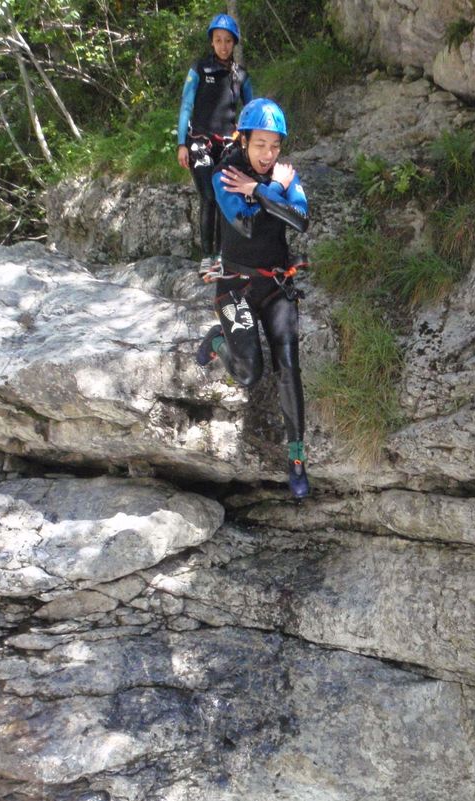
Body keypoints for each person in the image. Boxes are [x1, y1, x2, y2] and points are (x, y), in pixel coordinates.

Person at [195, 98, 311, 499]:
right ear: (243, 140)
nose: (268, 154)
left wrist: (264, 189)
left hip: (277, 286)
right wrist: (274, 191)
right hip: (235, 286)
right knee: (248, 375)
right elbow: (244, 225)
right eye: (260, 144)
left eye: (275, 145)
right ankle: (216, 340)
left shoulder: (280, 175)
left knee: (289, 365)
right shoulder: (224, 174)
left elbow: (300, 219)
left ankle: (296, 458)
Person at [177, 13, 253, 276]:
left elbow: (250, 110)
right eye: (218, 40)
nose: (223, 45)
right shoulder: (199, 69)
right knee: (208, 197)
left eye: (228, 41)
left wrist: (249, 142)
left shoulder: (240, 75)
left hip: (229, 145)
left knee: (225, 198)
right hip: (199, 143)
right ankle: (207, 257)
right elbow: (186, 105)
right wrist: (181, 144)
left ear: (234, 44)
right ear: (212, 42)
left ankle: (222, 257)